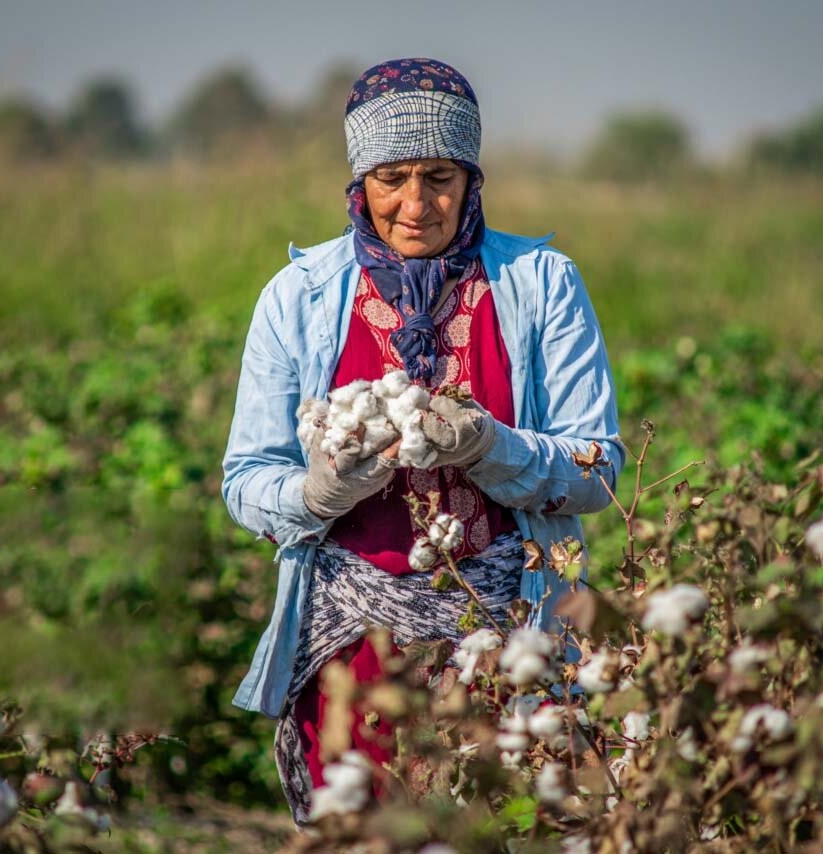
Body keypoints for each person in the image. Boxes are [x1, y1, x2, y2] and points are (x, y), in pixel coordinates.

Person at [221, 57, 624, 823]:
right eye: (391, 178)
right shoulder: (299, 297)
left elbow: (597, 469)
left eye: (439, 177)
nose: (415, 204)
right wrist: (317, 493)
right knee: (364, 833)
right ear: (359, 184)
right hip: (351, 655)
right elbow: (245, 479)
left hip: (507, 640)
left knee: (495, 828)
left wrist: (490, 447)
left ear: (472, 179)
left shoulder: (542, 284)